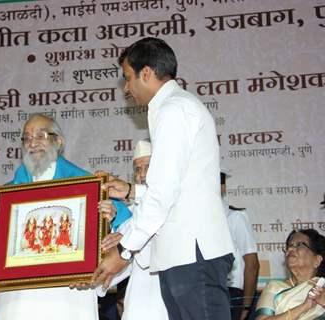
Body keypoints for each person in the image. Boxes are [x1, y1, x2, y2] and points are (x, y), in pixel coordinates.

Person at [93, 37, 235, 320]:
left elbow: (163, 194)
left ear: (146, 73)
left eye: (128, 78)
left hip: (192, 254)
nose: (127, 88)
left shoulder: (173, 110)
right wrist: (133, 190)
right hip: (180, 255)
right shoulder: (175, 108)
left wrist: (122, 252)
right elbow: (180, 187)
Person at [0, 114, 132, 320]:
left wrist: (109, 223)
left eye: (40, 135)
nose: (32, 143)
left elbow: (128, 241)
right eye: (27, 138)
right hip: (16, 303)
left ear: (59, 142)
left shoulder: (90, 188)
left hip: (69, 301)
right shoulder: (6, 199)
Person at [98, 139, 169, 320]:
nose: (143, 174)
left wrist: (127, 241)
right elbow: (113, 267)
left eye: (148, 166)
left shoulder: (176, 206)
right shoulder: (128, 216)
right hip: (139, 305)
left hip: (173, 300)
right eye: (137, 169)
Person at [255, 229, 325, 319]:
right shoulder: (274, 287)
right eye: (289, 246)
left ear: (317, 260)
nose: (290, 249)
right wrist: (304, 306)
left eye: (299, 245)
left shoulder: (323, 290)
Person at [221, 170, 260, 320]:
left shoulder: (235, 217)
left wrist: (246, 307)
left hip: (231, 294)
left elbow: (252, 264)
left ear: (223, 187)